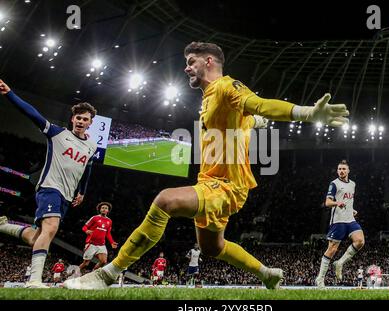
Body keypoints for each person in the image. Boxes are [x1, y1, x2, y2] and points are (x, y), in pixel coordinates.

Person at [63, 41, 349, 290]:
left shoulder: (227, 86)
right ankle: (267, 274)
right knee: (213, 248)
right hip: (208, 183)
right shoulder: (210, 98)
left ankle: (108, 274)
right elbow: (250, 117)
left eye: (190, 62)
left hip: (226, 187)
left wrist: (307, 112)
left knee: (164, 201)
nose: (186, 68)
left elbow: (259, 104)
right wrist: (254, 121)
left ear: (208, 61)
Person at [0, 79, 97, 288]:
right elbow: (33, 114)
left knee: (36, 238)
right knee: (51, 229)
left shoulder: (91, 146)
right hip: (50, 188)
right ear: (73, 119)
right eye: (78, 118)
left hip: (67, 196)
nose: (81, 121)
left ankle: (4, 226)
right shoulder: (57, 133)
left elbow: (87, 168)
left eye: (85, 119)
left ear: (90, 123)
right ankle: (33, 281)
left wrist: (82, 192)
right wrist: (10, 94)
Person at [315, 160, 364, 288]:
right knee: (332, 249)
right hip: (338, 221)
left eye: (344, 169)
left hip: (350, 219)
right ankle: (320, 279)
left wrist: (351, 210)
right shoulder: (334, 184)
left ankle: (340, 263)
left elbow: (348, 201)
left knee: (360, 241)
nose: (341, 171)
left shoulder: (353, 184)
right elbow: (327, 202)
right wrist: (337, 203)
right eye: (339, 169)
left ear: (348, 171)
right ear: (337, 171)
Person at [79, 202, 118, 272]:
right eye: (102, 208)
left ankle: (93, 272)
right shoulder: (95, 218)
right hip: (91, 244)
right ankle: (75, 274)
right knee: (86, 264)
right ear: (100, 209)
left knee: (103, 261)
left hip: (101, 245)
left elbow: (108, 233)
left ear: (108, 211)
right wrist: (86, 231)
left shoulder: (109, 221)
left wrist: (112, 242)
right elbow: (84, 227)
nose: (104, 209)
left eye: (106, 208)